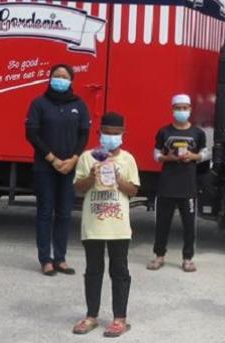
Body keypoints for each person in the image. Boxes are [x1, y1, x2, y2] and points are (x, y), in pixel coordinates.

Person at [72, 112, 140, 338]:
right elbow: (79, 188)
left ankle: (120, 318)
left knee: (119, 270)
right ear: (99, 133)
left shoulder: (127, 159)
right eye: (107, 133)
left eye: (115, 134)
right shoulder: (87, 157)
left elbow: (133, 190)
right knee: (93, 270)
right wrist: (93, 175)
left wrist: (118, 179)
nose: (111, 137)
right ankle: (91, 316)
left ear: (123, 134)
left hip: (119, 226)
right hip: (93, 225)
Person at [25, 64, 90, 276]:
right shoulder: (39, 103)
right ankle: (45, 259)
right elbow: (32, 133)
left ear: (71, 80)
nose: (59, 79)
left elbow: (84, 134)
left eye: (64, 76)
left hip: (69, 168)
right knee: (45, 212)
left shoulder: (79, 105)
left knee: (64, 213)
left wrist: (73, 159)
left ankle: (60, 258)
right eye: (56, 76)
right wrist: (52, 159)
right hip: (45, 167)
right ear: (49, 78)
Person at [148, 94, 208, 272]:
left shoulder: (198, 133)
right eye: (178, 108)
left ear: (190, 110)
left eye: (185, 108)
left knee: (189, 225)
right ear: (172, 109)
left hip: (188, 186)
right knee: (162, 224)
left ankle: (188, 258)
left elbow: (205, 154)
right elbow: (156, 154)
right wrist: (169, 157)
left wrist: (193, 156)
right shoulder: (164, 132)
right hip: (167, 185)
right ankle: (159, 256)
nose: (182, 111)